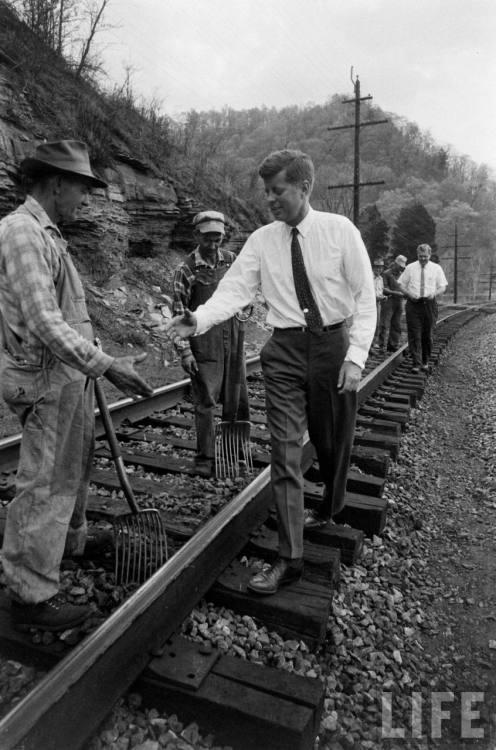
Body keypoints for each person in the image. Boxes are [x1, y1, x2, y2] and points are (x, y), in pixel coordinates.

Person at [166, 149, 376, 595]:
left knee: (333, 440)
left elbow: (365, 298)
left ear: (304, 187)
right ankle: (290, 558)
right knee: (283, 452)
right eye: (265, 192)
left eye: (276, 191)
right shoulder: (261, 241)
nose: (269, 200)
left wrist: (356, 358)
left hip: (332, 347)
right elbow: (234, 291)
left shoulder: (339, 232)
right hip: (283, 350)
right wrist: (199, 320)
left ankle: (331, 503)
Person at [0, 140, 153, 632]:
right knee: (44, 481)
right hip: (44, 377)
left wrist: (93, 356)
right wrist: (105, 363)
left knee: (72, 466)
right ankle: (29, 591)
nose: (83, 199)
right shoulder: (22, 233)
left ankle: (70, 544)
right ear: (56, 183)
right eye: (81, 188)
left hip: (66, 374)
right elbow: (44, 321)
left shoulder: (48, 233)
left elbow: (65, 313)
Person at [172, 210, 249, 474]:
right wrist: (185, 353)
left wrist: (246, 308)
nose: (213, 244)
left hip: (234, 339)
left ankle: (234, 451)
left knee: (237, 399)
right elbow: (178, 314)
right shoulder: (186, 270)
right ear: (197, 235)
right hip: (204, 344)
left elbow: (245, 293)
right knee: (205, 401)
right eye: (208, 238)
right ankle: (205, 459)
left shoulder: (232, 260)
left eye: (218, 238)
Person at [398, 243, 447, 373]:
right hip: (413, 304)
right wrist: (409, 294)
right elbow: (401, 285)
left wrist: (434, 294)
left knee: (427, 335)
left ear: (429, 255)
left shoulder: (436, 268)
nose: (423, 259)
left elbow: (442, 287)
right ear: (417, 255)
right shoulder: (410, 268)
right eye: (420, 256)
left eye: (425, 256)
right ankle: (416, 363)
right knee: (414, 335)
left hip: (429, 304)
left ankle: (425, 361)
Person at [377, 254, 407, 353]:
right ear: (395, 264)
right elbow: (384, 289)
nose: (401, 268)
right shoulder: (386, 274)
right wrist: (396, 293)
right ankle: (380, 345)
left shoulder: (403, 274)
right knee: (384, 324)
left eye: (402, 267)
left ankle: (392, 345)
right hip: (388, 302)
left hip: (399, 302)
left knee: (396, 324)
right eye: (400, 266)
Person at [371, 258, 386, 347]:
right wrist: (378, 297)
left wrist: (383, 297)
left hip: (378, 304)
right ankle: (368, 345)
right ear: (373, 268)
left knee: (377, 324)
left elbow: (380, 291)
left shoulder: (380, 278)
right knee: (369, 324)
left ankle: (373, 343)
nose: (379, 269)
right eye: (377, 267)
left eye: (380, 268)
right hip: (369, 305)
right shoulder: (369, 277)